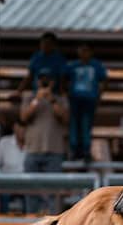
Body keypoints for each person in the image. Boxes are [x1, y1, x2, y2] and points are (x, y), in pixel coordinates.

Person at [21, 77, 69, 213]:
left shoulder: (60, 99)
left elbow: (65, 118)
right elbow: (23, 117)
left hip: (54, 151)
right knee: (30, 189)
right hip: (33, 150)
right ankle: (30, 221)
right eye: (42, 81)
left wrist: (51, 100)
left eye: (47, 81)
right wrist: (37, 99)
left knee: (53, 191)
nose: (44, 84)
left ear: (53, 82)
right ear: (36, 82)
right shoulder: (29, 97)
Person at [63, 43, 107, 162]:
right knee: (74, 125)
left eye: (86, 50)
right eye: (81, 50)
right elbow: (63, 80)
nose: (83, 53)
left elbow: (103, 82)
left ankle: (86, 151)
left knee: (86, 125)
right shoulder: (73, 66)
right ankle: (74, 150)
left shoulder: (96, 65)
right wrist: (67, 94)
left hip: (89, 100)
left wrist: (98, 96)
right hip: (75, 99)